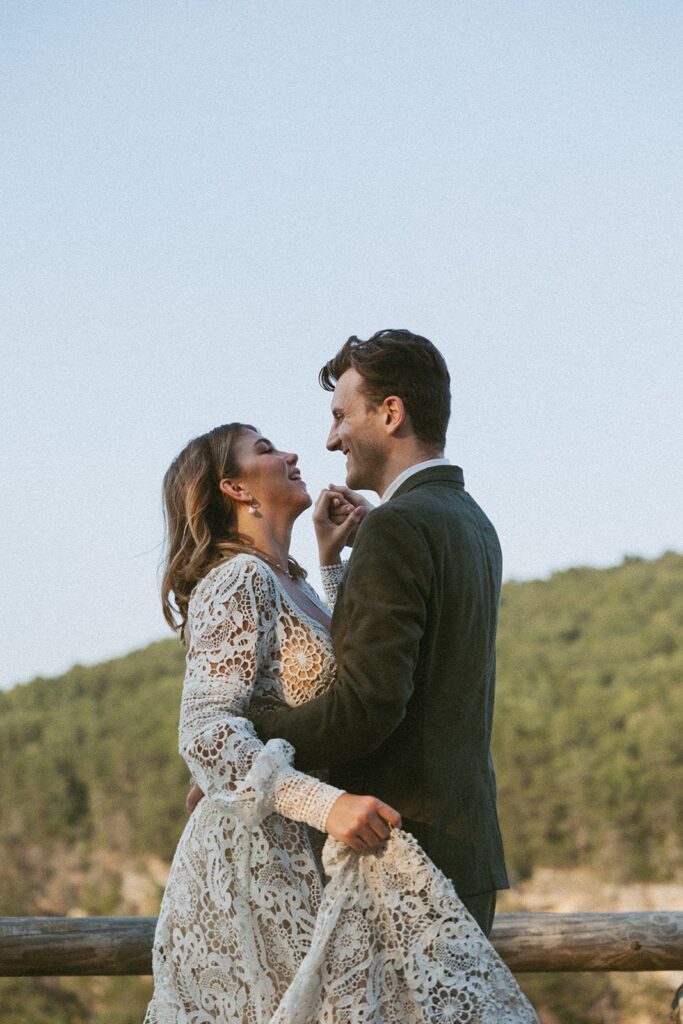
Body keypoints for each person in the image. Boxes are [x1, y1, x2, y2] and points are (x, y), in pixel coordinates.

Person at [145, 417, 538, 1022]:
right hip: (253, 867)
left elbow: (334, 677)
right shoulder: (237, 578)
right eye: (266, 449)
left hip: (303, 856)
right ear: (235, 488)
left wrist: (332, 563)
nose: (294, 452)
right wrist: (327, 806)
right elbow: (206, 732)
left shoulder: (289, 579)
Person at [251, 328, 509, 937]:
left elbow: (367, 704)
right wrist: (337, 565)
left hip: (406, 860)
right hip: (465, 854)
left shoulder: (398, 526)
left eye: (341, 415)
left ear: (390, 413)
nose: (331, 437)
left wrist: (248, 737)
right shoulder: (472, 521)